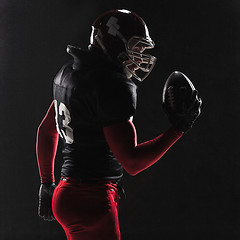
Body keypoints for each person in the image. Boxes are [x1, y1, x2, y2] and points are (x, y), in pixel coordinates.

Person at [36, 9, 201, 240]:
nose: (140, 57)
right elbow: (132, 162)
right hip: (92, 200)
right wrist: (178, 129)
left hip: (64, 193)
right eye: (136, 48)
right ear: (115, 43)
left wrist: (46, 183)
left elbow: (46, 130)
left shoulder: (67, 74)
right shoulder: (113, 86)